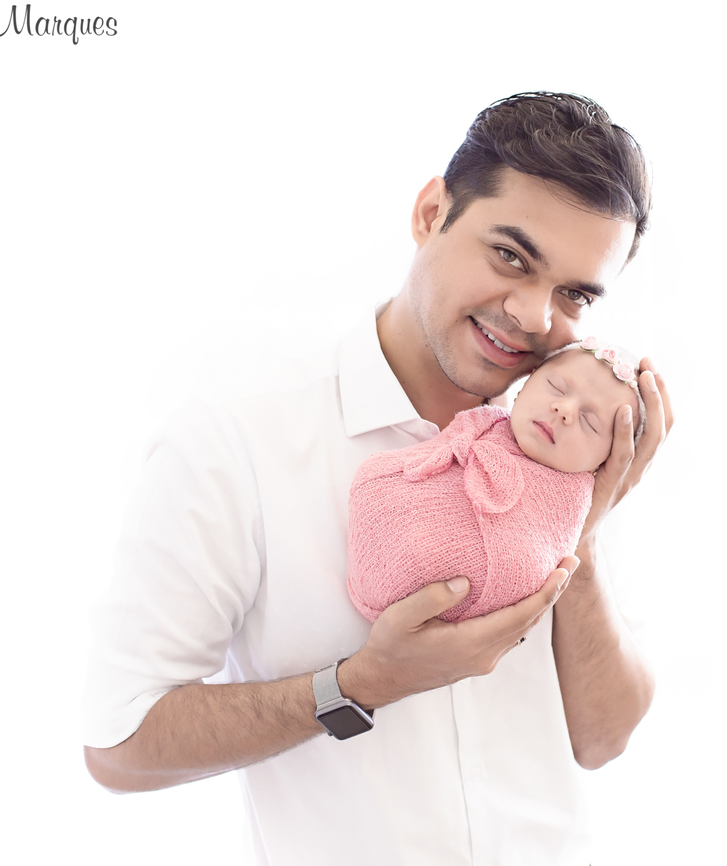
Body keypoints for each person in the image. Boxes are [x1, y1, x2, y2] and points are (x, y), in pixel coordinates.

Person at [82, 92, 674, 865]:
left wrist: (581, 534)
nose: (534, 315)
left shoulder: (575, 436)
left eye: (575, 295)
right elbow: (120, 744)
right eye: (511, 256)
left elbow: (604, 738)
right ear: (431, 213)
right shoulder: (235, 443)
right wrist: (360, 684)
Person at [349, 337, 648, 623]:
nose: (565, 410)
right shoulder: (490, 420)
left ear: (605, 462)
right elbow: (444, 443)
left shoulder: (573, 498)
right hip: (413, 511)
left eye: (589, 422)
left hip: (473, 568)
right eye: (556, 387)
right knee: (376, 480)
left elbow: (539, 555)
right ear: (525, 384)